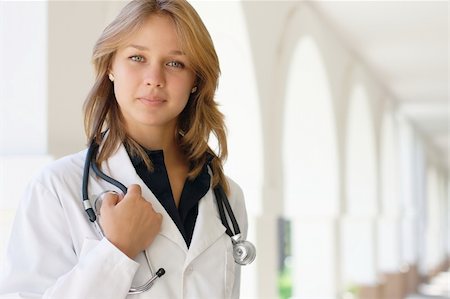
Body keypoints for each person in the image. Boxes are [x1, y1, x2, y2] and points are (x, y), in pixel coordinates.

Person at [0, 0, 250, 298]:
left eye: (175, 63)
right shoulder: (55, 188)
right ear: (110, 67)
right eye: (136, 57)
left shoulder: (226, 197)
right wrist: (116, 251)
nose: (154, 79)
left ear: (196, 80)